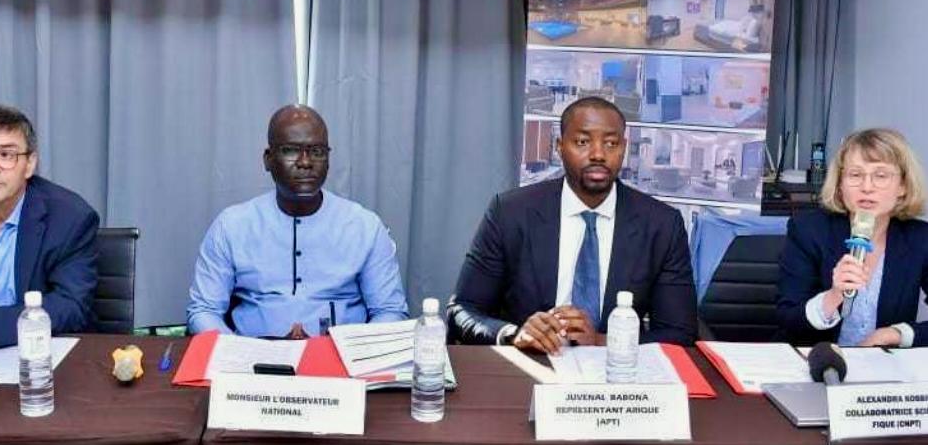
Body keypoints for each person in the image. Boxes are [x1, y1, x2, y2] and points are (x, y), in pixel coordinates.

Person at [449, 97, 697, 352]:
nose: (598, 154)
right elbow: (462, 310)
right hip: (530, 364)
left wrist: (601, 341)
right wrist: (514, 335)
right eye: (582, 142)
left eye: (611, 143)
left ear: (623, 148)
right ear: (559, 146)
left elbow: (679, 332)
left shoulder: (662, 225)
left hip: (616, 368)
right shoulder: (511, 212)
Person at [186, 105, 409, 337]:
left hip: (340, 357)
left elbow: (390, 311)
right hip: (252, 355)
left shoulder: (365, 227)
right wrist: (237, 350)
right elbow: (203, 311)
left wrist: (354, 349)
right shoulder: (231, 226)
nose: (305, 162)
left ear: (328, 160)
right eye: (291, 150)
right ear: (268, 159)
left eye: (317, 152)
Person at [0, 103, 99, 350]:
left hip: (45, 354)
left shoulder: (70, 218)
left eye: (6, 155)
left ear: (30, 164)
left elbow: (72, 306)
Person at [777, 128, 928, 347]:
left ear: (903, 186)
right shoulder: (809, 230)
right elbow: (787, 319)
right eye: (855, 175)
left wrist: (898, 334)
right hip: (816, 359)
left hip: (882, 363)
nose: (867, 187)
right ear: (840, 185)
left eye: (881, 176)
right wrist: (833, 296)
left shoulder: (920, 239)